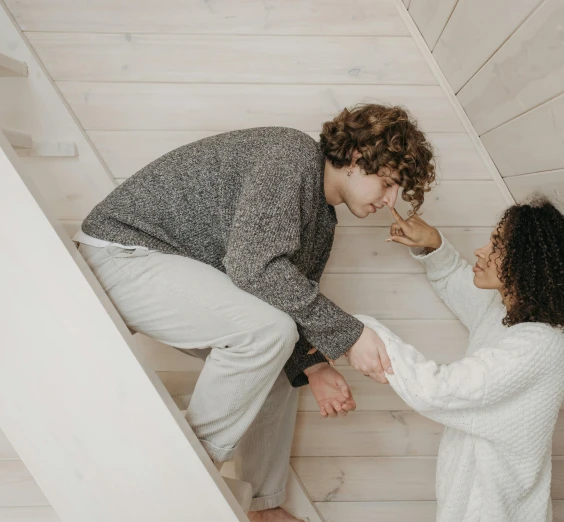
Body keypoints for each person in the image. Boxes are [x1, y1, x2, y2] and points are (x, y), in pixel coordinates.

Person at [74, 104, 436, 522]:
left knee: (278, 354)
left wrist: (315, 366)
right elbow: (253, 267)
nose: (390, 201)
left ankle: (264, 509)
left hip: (167, 267)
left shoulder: (322, 220)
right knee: (267, 335)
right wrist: (351, 336)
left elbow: (281, 294)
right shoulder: (292, 155)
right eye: (388, 183)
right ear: (356, 159)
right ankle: (187, 481)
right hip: (122, 254)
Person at [360, 197, 564, 522]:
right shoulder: (507, 312)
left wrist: (360, 331)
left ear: (527, 263)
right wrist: (434, 246)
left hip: (491, 509)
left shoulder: (538, 344)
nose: (481, 251)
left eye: (497, 246)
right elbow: (458, 283)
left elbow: (436, 389)